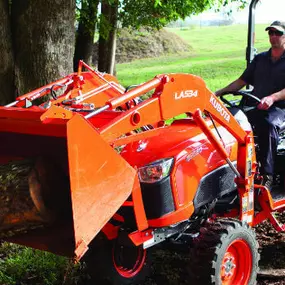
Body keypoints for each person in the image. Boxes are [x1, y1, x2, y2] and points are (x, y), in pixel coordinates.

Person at [215, 20, 285, 190]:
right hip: (256, 104)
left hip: (280, 108)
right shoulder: (260, 59)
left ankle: (267, 175)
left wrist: (272, 98)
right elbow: (241, 81)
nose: (273, 36)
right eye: (271, 33)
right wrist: (218, 93)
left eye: (278, 33)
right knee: (230, 121)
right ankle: (226, 171)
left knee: (268, 125)